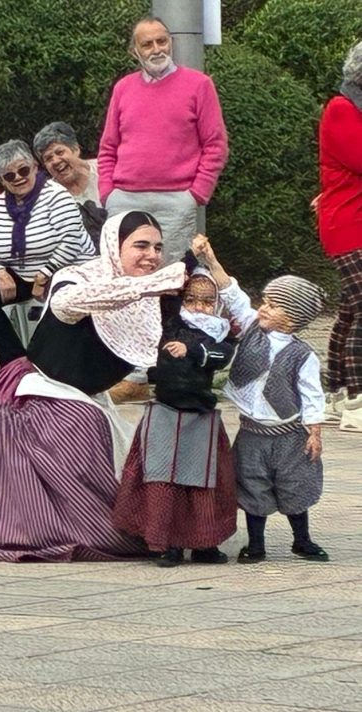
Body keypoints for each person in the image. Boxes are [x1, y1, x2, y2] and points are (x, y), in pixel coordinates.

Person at [0, 211, 186, 562]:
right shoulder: (76, 278)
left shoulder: (155, 299)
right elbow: (67, 302)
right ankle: (54, 527)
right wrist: (146, 285)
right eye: (141, 245)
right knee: (82, 425)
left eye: (158, 247)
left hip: (88, 398)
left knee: (149, 444)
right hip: (39, 395)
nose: (152, 255)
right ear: (114, 245)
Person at [206, 247, 330, 564]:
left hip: (290, 433)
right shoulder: (251, 328)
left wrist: (314, 432)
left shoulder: (303, 354)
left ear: (293, 317)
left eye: (273, 305)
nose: (263, 308)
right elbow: (232, 294)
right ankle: (256, 545)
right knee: (251, 485)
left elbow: (312, 394)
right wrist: (212, 260)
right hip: (252, 431)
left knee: (295, 485)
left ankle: (302, 540)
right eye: (265, 301)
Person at [112, 262, 238, 567]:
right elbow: (166, 296)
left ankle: (204, 542)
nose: (198, 307)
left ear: (217, 304)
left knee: (203, 481)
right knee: (161, 478)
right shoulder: (169, 323)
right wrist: (190, 261)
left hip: (200, 416)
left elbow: (221, 357)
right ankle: (166, 542)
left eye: (207, 301)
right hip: (164, 411)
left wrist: (190, 349)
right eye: (191, 299)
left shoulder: (221, 335)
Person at [98, 17, 228, 263]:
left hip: (176, 202)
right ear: (134, 51)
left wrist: (196, 194)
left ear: (171, 43)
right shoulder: (123, 88)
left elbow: (216, 145)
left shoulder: (199, 85)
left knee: (171, 276)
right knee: (123, 276)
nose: (157, 49)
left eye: (162, 41)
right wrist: (108, 193)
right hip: (124, 200)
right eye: (147, 44)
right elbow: (108, 147)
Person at [0, 140, 97, 368]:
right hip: (23, 272)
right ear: (1, 179)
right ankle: (14, 363)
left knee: (62, 297)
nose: (18, 178)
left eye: (23, 170)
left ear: (34, 166)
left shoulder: (56, 195)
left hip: (67, 268)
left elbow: (70, 242)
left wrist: (44, 275)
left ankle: (56, 361)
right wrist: (0, 272)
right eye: (9, 175)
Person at [318, 40, 362, 430]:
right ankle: (357, 399)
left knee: (351, 310)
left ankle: (335, 393)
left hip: (352, 220)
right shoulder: (341, 108)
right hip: (349, 222)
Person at [33, 122, 106, 245]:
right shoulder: (47, 196)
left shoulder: (104, 170)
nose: (55, 161)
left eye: (60, 152)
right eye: (48, 158)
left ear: (76, 149)